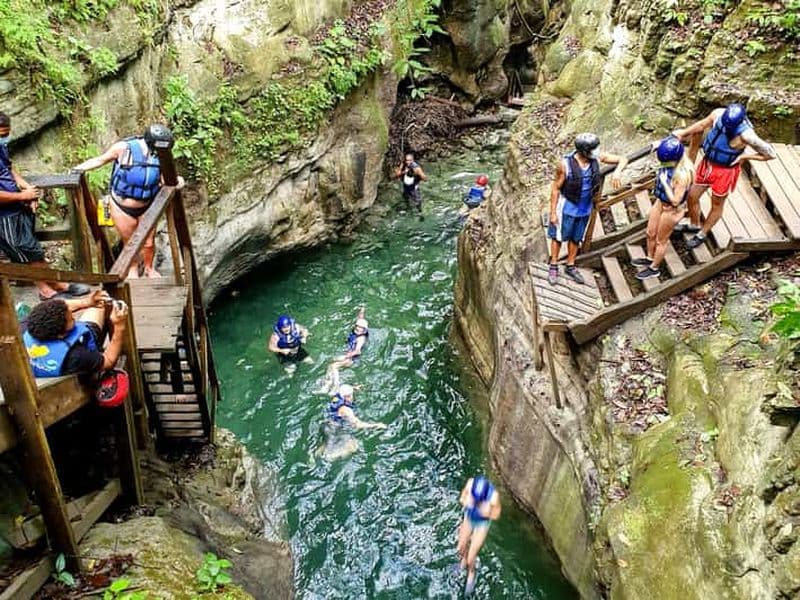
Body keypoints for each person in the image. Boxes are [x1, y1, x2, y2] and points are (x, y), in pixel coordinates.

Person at [73, 124, 184, 279]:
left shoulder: (160, 156)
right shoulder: (125, 149)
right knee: (130, 242)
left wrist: (177, 181)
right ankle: (132, 269)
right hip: (122, 205)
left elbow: (164, 180)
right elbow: (100, 160)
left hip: (148, 205)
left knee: (149, 242)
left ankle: (149, 268)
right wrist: (76, 170)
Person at [0, 113, 90, 300]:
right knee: (25, 252)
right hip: (4, 215)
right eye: (2, 135)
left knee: (31, 249)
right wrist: (22, 195)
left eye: (6, 134)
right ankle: (48, 287)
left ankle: (52, 285)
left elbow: (7, 168)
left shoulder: (1, 147)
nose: (4, 138)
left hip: (17, 207)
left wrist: (25, 186)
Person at [671, 103, 776, 249]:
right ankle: (694, 224)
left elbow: (770, 154)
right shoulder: (718, 114)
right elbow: (701, 125)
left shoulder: (747, 135)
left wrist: (745, 157)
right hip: (707, 163)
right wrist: (683, 133)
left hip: (725, 172)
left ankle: (702, 233)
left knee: (717, 203)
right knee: (692, 196)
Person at [547, 133, 628, 285]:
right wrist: (552, 213)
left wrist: (617, 172)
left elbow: (623, 159)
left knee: (576, 237)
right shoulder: (565, 165)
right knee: (558, 236)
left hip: (585, 207)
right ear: (584, 151)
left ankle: (570, 265)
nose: (597, 151)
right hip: (567, 206)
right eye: (594, 149)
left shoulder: (596, 158)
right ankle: (553, 265)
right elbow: (555, 188)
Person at [23, 290, 127, 378]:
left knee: (95, 306)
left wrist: (86, 302)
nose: (73, 315)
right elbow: (108, 361)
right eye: (72, 319)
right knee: (99, 308)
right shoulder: (77, 356)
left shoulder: (24, 326)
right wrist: (119, 326)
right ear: (61, 335)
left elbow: (60, 306)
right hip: (72, 381)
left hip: (39, 373)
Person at [631, 136, 695, 280]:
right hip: (660, 203)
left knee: (661, 240)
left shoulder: (682, 176)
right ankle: (649, 256)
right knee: (650, 232)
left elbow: (676, 201)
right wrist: (656, 144)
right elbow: (673, 138)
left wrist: (665, 184)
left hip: (672, 210)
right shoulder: (669, 159)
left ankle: (654, 268)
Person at [456, 475, 501, 595]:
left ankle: (471, 573)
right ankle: (463, 561)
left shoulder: (493, 497)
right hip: (469, 518)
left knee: (472, 556)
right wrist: (466, 501)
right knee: (460, 547)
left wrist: (487, 513)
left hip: (481, 524)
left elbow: (496, 515)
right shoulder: (470, 484)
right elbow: (461, 498)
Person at [395, 152, 428, 219]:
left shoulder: (417, 168)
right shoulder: (403, 164)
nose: (408, 162)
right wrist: (404, 172)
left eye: (409, 160)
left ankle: (420, 213)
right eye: (406, 160)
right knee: (405, 196)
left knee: (417, 200)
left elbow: (425, 179)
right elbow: (397, 175)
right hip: (406, 185)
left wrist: (419, 175)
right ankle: (408, 208)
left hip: (413, 186)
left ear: (413, 160)